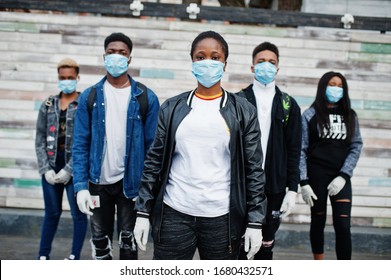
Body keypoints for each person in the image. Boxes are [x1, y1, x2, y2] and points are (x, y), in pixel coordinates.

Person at [133, 30, 267, 260]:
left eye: (215, 58)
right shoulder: (172, 108)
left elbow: (254, 168)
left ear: (225, 63)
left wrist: (255, 221)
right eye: (200, 56)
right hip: (175, 213)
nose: (208, 63)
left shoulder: (243, 111)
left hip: (221, 218)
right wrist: (142, 211)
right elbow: (154, 161)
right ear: (192, 61)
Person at [72, 32, 160, 260]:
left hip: (131, 184)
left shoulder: (146, 97)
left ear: (130, 58)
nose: (116, 57)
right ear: (104, 56)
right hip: (97, 182)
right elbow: (80, 144)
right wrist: (80, 186)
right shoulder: (89, 97)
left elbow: (153, 149)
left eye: (122, 53)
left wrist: (147, 191)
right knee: (100, 244)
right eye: (111, 52)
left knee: (129, 244)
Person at [237, 41, 302, 260]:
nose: (266, 66)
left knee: (266, 245)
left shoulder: (288, 105)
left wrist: (292, 188)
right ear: (252, 67)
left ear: (278, 68)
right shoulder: (237, 101)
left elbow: (294, 150)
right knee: (240, 244)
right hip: (243, 184)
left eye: (271, 62)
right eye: (261, 62)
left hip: (274, 185)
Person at [299, 71, 363, 260]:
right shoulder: (310, 115)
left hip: (340, 178)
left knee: (343, 225)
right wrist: (303, 182)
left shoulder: (350, 115)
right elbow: (301, 149)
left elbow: (356, 145)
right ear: (323, 87)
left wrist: (344, 175)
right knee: (317, 221)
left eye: (340, 86)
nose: (336, 89)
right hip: (316, 175)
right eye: (332, 84)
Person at [35, 58, 88, 260]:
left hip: (75, 169)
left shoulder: (84, 104)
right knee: (52, 213)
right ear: (58, 78)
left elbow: (87, 140)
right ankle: (43, 256)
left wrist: (70, 169)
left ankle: (74, 256)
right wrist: (45, 169)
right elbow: (39, 138)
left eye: (70, 77)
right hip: (50, 166)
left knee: (78, 214)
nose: (66, 81)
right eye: (62, 77)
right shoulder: (48, 104)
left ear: (77, 77)